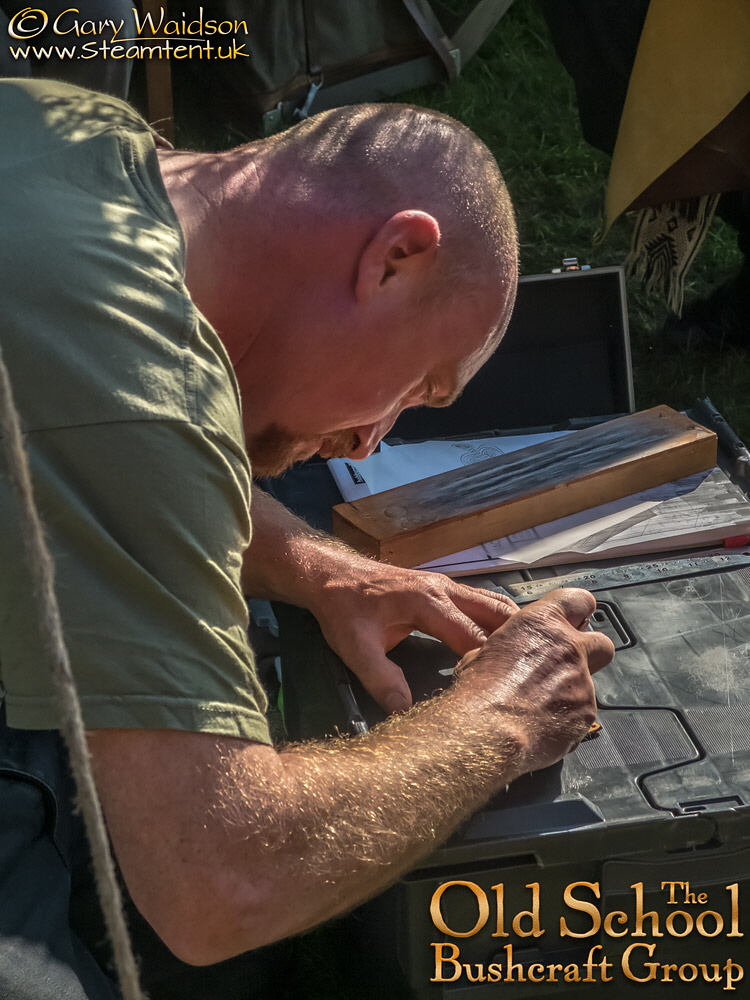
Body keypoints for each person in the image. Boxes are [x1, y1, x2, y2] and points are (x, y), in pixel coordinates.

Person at [0, 77, 614, 999]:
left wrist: (319, 568)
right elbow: (224, 885)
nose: (374, 439)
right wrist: (502, 716)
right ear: (395, 257)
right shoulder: (136, 386)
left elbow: (74, 459)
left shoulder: (78, 134)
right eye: (419, 388)